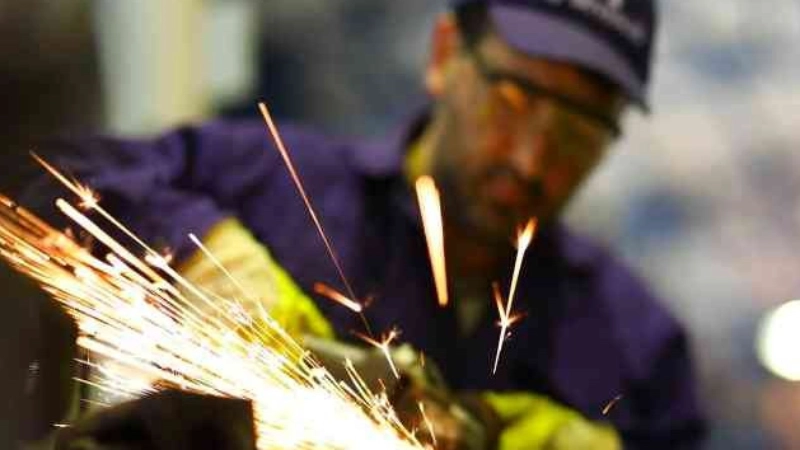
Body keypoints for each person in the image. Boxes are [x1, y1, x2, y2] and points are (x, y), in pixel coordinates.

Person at [14, 0, 706, 448]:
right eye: (512, 99)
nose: (530, 160)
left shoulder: (639, 349)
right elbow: (47, 172)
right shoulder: (269, 180)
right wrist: (206, 249)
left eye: (579, 132)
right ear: (444, 56)